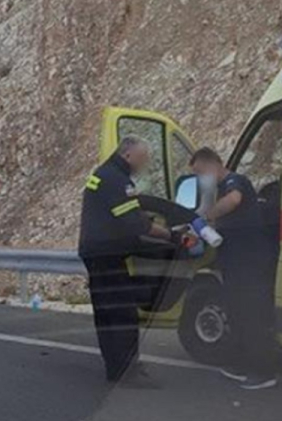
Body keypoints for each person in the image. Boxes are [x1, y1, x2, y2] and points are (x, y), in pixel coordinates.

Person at [78, 136, 175, 383]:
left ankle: (116, 367)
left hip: (98, 252)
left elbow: (127, 213)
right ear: (129, 155)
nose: (144, 164)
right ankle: (126, 372)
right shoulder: (116, 179)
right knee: (122, 314)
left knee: (107, 313)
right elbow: (135, 223)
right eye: (143, 158)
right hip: (107, 254)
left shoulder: (105, 174)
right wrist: (171, 235)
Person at [190, 147, 278, 390]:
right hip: (235, 263)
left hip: (251, 262)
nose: (200, 178)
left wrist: (208, 216)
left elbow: (234, 200)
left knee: (253, 315)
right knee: (237, 313)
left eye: (200, 172)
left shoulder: (235, 181)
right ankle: (241, 364)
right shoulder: (220, 189)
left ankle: (264, 372)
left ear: (213, 164)